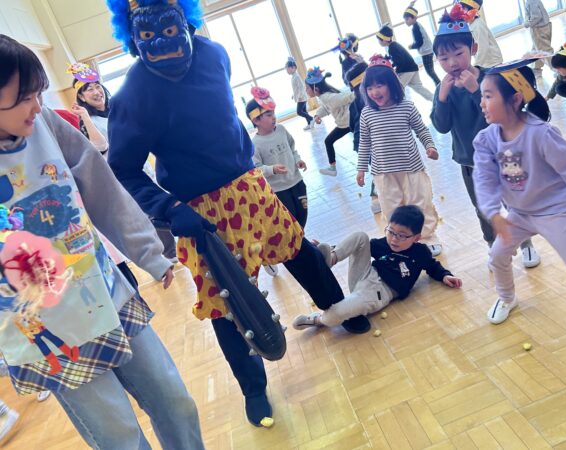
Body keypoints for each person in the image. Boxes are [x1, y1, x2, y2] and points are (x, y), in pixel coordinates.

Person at [105, 0, 370, 429]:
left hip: (250, 186)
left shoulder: (214, 54)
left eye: (171, 33)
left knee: (299, 251)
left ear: (186, 23)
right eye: (149, 37)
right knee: (226, 301)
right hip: (201, 212)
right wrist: (168, 208)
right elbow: (123, 168)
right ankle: (253, 387)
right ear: (134, 38)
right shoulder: (131, 97)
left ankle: (339, 309)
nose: (163, 46)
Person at [0, 34, 203, 449]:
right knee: (120, 437)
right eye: (23, 98)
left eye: (38, 92)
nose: (36, 105)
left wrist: (149, 253)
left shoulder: (45, 123)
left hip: (104, 293)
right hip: (45, 330)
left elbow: (100, 186)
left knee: (175, 402)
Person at [473, 58, 566, 324]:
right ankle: (507, 297)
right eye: (482, 96)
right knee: (497, 255)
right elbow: (484, 179)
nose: (482, 103)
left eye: (488, 96)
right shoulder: (486, 140)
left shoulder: (541, 134)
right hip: (520, 213)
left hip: (556, 210)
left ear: (515, 99)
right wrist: (493, 212)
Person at [430, 8, 540, 268]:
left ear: (473, 48)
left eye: (459, 53)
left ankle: (526, 244)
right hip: (470, 161)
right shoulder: (443, 88)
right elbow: (441, 126)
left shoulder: (491, 78)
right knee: (483, 208)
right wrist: (443, 97)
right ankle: (494, 248)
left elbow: (499, 117)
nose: (452, 63)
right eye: (444, 58)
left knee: (514, 201)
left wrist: (474, 91)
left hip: (502, 154)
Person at [69, 62, 179, 264]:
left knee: (161, 204)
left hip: (142, 166)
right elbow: (100, 145)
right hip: (120, 176)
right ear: (82, 97)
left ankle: (173, 250)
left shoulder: (117, 109)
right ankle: (166, 256)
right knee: (147, 214)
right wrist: (84, 116)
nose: (96, 92)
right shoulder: (87, 121)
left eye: (97, 86)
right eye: (89, 89)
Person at [292, 205, 462, 329]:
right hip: (365, 275)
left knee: (336, 313)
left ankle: (317, 320)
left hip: (379, 293)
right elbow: (359, 247)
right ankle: (331, 259)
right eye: (391, 231)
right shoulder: (383, 244)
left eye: (402, 236)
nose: (394, 239)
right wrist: (328, 249)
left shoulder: (421, 252)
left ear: (416, 238)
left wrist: (445, 275)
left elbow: (432, 266)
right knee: (361, 237)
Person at [357, 55, 442, 256]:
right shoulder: (367, 114)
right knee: (391, 209)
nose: (375, 91)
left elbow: (421, 129)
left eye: (380, 85)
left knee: (420, 204)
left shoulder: (406, 106)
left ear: (392, 85)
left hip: (412, 169)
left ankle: (427, 238)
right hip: (383, 173)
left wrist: (430, 146)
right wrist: (361, 169)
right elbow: (365, 143)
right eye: (370, 88)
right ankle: (397, 242)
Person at [247, 87, 308, 228]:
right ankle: (299, 240)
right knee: (291, 221)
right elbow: (256, 169)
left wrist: (298, 159)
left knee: (303, 215)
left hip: (297, 181)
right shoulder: (255, 144)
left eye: (273, 113)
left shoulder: (281, 130)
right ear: (256, 120)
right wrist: (272, 169)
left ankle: (301, 238)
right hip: (279, 190)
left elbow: (292, 147)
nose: (274, 117)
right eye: (269, 115)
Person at [346, 62, 381, 215]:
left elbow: (350, 126)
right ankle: (375, 197)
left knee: (378, 168)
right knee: (380, 169)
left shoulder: (354, 102)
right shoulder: (373, 101)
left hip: (359, 142)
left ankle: (377, 197)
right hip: (370, 141)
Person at [305, 67, 354, 177]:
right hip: (345, 123)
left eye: (307, 88)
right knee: (329, 141)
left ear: (315, 89)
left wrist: (359, 93)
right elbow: (327, 107)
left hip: (348, 122)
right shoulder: (324, 96)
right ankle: (332, 168)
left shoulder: (327, 97)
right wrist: (317, 115)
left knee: (329, 141)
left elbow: (346, 97)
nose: (306, 90)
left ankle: (333, 168)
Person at [376, 24, 434, 101]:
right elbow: (397, 59)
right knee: (419, 88)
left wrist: (395, 73)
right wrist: (387, 58)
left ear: (384, 39)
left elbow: (399, 62)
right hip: (413, 68)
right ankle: (434, 100)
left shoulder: (392, 48)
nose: (378, 42)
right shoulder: (394, 45)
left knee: (397, 89)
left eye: (379, 40)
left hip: (407, 71)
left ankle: (402, 106)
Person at [404, 1, 441, 85]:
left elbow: (419, 42)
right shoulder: (417, 25)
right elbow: (408, 11)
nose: (405, 22)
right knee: (431, 71)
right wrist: (411, 4)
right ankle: (439, 84)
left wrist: (411, 46)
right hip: (428, 50)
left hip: (426, 52)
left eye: (407, 19)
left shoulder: (415, 28)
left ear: (413, 18)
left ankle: (439, 85)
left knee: (430, 72)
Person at [458, 0, 503, 68]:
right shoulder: (471, 24)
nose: (461, 12)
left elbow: (483, 47)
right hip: (486, 63)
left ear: (471, 10)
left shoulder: (477, 25)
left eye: (464, 8)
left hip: (492, 62)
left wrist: (476, 65)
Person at [524, 0, 554, 70]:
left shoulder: (531, 2)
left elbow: (537, 16)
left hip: (539, 29)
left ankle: (557, 68)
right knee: (536, 49)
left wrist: (527, 24)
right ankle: (536, 68)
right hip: (542, 27)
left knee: (544, 51)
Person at [285, 57, 313, 130]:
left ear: (294, 68)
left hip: (302, 97)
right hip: (301, 97)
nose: (287, 71)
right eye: (286, 69)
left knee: (299, 112)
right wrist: (293, 94)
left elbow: (301, 87)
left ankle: (312, 119)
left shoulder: (296, 76)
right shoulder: (294, 76)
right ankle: (309, 124)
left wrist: (299, 96)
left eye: (288, 69)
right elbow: (296, 88)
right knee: (304, 111)